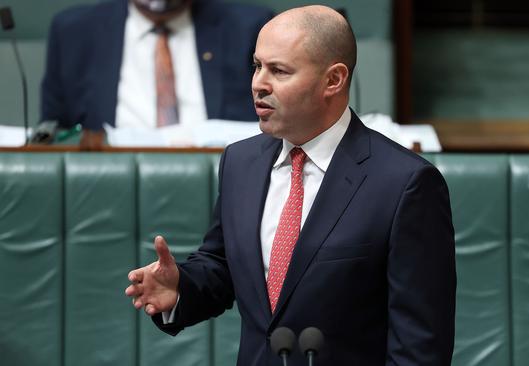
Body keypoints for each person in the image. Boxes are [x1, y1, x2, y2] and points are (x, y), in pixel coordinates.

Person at [125, 5, 456, 365]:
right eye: (257, 65)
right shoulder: (241, 162)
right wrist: (181, 288)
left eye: (279, 71)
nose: (258, 84)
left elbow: (419, 347)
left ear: (334, 80)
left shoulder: (406, 184)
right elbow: (224, 266)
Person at [40, 0, 273, 133]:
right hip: (107, 183)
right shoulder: (74, 31)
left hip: (220, 177)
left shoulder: (250, 28)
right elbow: (54, 132)